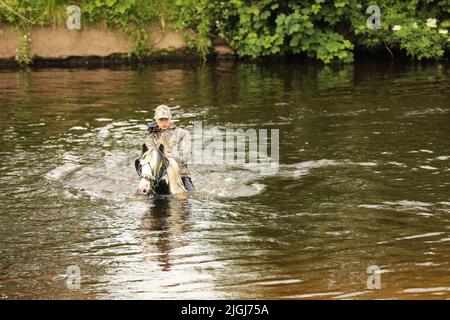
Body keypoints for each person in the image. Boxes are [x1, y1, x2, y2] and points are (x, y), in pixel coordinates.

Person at [140, 104, 195, 192]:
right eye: (161, 119)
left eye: (166, 119)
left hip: (180, 174)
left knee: (191, 195)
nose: (164, 122)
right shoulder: (151, 137)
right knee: (140, 194)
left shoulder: (182, 134)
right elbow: (146, 158)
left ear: (170, 119)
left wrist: (171, 157)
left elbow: (186, 157)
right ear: (155, 120)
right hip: (156, 175)